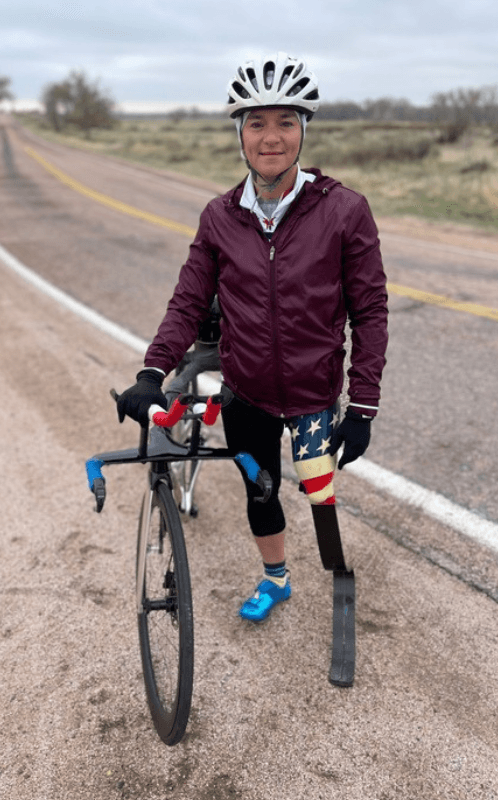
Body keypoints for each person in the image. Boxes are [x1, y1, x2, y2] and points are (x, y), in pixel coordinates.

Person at [117, 52, 388, 622]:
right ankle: (276, 578)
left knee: (319, 493)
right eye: (256, 123)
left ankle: (336, 568)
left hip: (315, 393)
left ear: (303, 130)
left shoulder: (344, 210)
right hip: (247, 392)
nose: (272, 137)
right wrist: (151, 371)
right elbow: (188, 301)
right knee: (261, 494)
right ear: (239, 134)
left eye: (285, 122)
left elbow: (369, 310)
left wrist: (362, 405)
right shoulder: (219, 217)